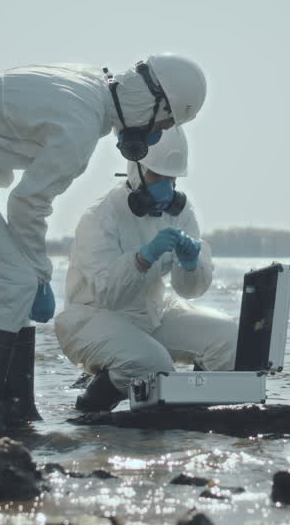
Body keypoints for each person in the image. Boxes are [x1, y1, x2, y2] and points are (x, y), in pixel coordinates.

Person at [0, 55, 206, 437]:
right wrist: (41, 276)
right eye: (163, 123)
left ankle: (17, 413)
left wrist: (33, 276)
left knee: (15, 283)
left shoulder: (87, 85)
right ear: (153, 102)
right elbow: (27, 203)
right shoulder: (80, 126)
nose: (156, 135)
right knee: (11, 283)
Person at [55, 125, 237, 412]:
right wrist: (143, 258)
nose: (165, 186)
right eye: (156, 176)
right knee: (152, 366)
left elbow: (190, 291)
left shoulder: (181, 213)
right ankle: (88, 409)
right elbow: (108, 295)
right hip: (93, 319)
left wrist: (191, 265)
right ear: (135, 170)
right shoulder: (99, 217)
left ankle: (195, 414)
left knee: (229, 340)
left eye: (171, 178)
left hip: (151, 312)